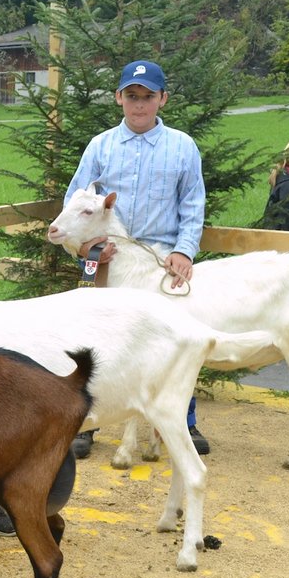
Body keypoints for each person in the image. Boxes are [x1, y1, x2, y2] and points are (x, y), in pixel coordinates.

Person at [63, 59, 211, 458]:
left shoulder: (182, 146)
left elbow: (193, 202)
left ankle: (183, 421)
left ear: (162, 99)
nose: (139, 105)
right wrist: (87, 247)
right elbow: (77, 199)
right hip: (108, 256)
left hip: (160, 260)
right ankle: (86, 422)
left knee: (174, 333)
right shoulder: (102, 146)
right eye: (132, 96)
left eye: (147, 97)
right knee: (99, 336)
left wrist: (183, 250)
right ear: (119, 98)